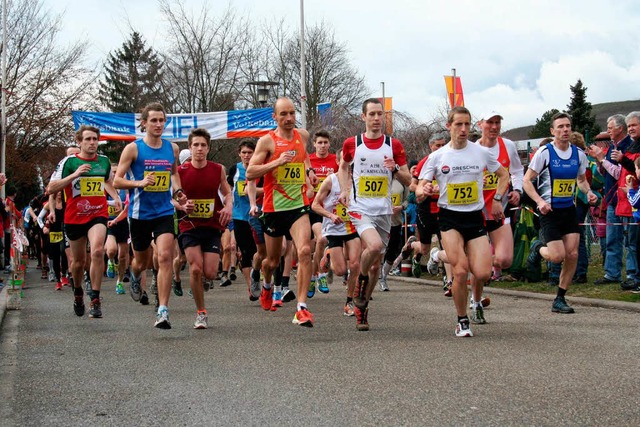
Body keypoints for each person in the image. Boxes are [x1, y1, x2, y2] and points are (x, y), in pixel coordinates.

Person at [417, 106, 509, 337]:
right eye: (459, 124)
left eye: (467, 124)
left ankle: (437, 255)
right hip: (449, 217)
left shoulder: (480, 152)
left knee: (482, 273)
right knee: (460, 272)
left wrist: (497, 198)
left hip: (474, 216)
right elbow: (419, 188)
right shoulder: (437, 157)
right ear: (449, 127)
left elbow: (504, 175)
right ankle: (462, 320)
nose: (464, 129)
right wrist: (424, 188)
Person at [338, 97, 411, 331]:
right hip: (360, 209)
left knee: (374, 266)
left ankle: (362, 307)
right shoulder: (352, 143)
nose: (377, 119)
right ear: (363, 117)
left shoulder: (394, 145)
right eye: (372, 114)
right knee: (374, 246)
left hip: (383, 212)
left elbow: (409, 179)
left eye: (380, 114)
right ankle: (358, 281)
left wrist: (396, 169)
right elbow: (342, 166)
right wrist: (345, 189)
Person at [113, 102, 187, 329]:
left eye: (161, 120)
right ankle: (134, 274)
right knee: (142, 262)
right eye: (153, 120)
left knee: (165, 256)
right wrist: (139, 183)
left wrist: (178, 191)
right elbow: (117, 181)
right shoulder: (133, 149)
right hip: (139, 214)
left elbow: (174, 174)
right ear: (143, 123)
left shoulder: (171, 148)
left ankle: (163, 310)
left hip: (164, 211)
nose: (158, 124)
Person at [246, 97, 318, 327]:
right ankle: (267, 285)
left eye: (292, 113)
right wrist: (276, 163)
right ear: (274, 117)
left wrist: (309, 171)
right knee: (272, 261)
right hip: (274, 208)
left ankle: (301, 308)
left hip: (298, 205)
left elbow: (304, 155)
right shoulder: (267, 142)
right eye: (283, 114)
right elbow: (250, 172)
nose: (289, 119)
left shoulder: (303, 136)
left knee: (305, 250)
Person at [525, 112, 598, 314]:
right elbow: (526, 181)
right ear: (552, 131)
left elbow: (581, 180)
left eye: (568, 126)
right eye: (560, 127)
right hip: (549, 211)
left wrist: (589, 192)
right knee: (557, 256)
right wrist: (539, 201)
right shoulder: (545, 153)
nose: (565, 130)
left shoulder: (578, 154)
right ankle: (538, 247)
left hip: (568, 210)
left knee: (572, 254)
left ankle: (560, 298)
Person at [47, 125, 121, 318]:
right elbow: (51, 188)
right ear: (79, 142)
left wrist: (115, 196)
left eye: (95, 139)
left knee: (97, 250)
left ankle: (95, 299)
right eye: (87, 139)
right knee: (78, 262)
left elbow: (106, 181)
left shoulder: (104, 161)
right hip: (74, 217)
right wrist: (75, 175)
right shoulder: (69, 162)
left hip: (97, 213)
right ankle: (78, 292)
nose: (92, 143)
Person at [177, 128, 232, 329]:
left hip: (211, 225)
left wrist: (228, 206)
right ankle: (201, 312)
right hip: (188, 225)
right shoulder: (180, 172)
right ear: (190, 148)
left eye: (203, 145)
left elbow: (227, 192)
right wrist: (182, 206)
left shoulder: (217, 169)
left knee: (209, 272)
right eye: (195, 145)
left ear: (208, 148)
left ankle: (205, 281)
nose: (199, 149)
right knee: (195, 268)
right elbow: (170, 198)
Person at [471, 111, 523, 304]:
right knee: (481, 262)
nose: (494, 127)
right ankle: (475, 301)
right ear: (479, 124)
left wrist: (518, 190)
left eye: (497, 122)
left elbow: (517, 170)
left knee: (504, 261)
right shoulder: (472, 150)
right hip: (476, 212)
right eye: (489, 122)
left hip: (499, 209)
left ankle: (473, 262)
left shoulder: (508, 146)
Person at [589, 115, 633, 285]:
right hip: (612, 200)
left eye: (610, 127)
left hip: (626, 200)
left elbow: (618, 174)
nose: (607, 131)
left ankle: (631, 274)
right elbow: (605, 173)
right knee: (612, 238)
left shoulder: (627, 146)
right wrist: (599, 162)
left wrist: (602, 159)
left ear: (620, 128)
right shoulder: (612, 148)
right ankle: (612, 273)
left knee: (630, 240)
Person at [312, 170, 361, 316]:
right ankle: (328, 254)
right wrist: (331, 215)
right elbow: (314, 205)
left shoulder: (360, 178)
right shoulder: (330, 181)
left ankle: (349, 302)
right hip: (334, 229)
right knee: (340, 271)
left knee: (355, 264)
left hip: (354, 227)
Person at [228, 139, 261, 301]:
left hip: (257, 215)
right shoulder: (234, 169)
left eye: (250, 152)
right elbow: (227, 190)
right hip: (239, 216)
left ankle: (257, 277)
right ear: (239, 154)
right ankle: (250, 286)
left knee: (259, 252)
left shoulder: (259, 169)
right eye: (244, 153)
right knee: (246, 252)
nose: (247, 156)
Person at [308, 130, 340, 294]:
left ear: (329, 144)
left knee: (321, 241)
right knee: (312, 244)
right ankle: (315, 275)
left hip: (329, 208)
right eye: (319, 142)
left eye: (325, 142)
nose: (322, 145)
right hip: (311, 207)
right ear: (314, 144)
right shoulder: (309, 161)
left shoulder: (335, 160)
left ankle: (318, 275)